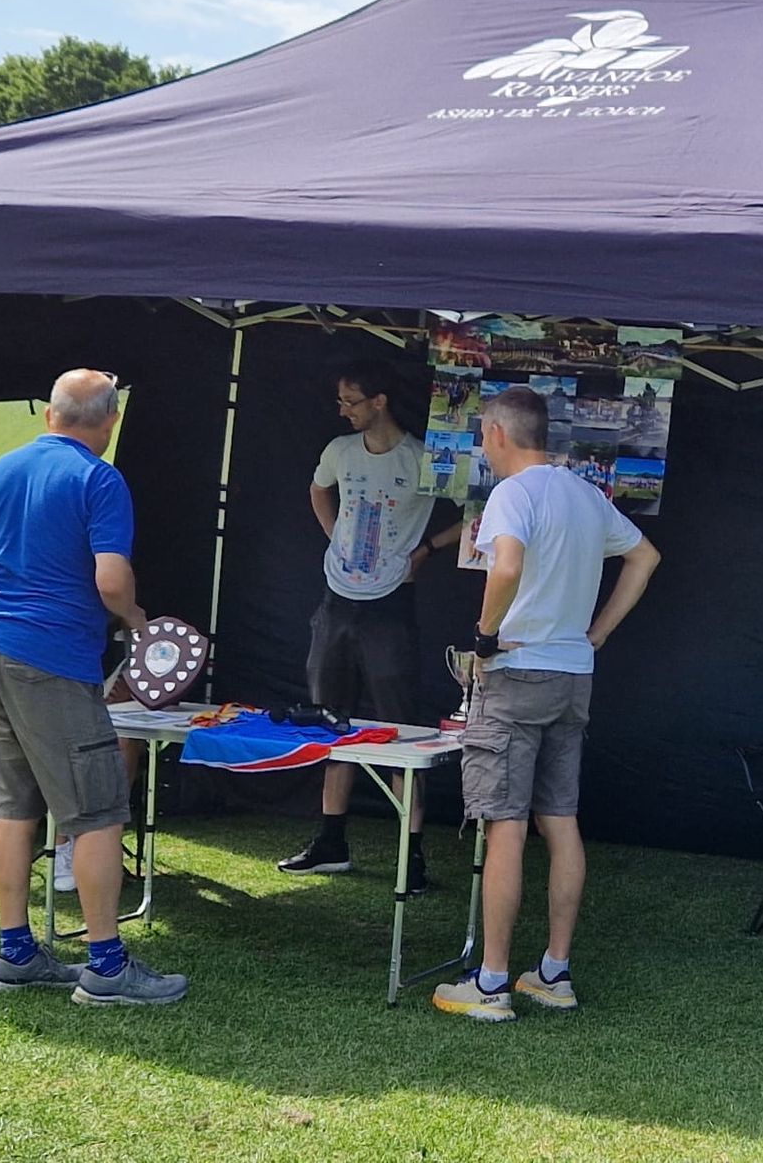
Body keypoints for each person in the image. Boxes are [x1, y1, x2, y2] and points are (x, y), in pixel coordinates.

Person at [432, 386, 660, 1023]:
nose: (482, 444)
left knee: (504, 822)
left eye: (482, 434)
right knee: (560, 818)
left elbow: (504, 568)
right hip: (572, 673)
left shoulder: (513, 494)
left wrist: (482, 638)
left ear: (499, 434)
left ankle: (493, 982)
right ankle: (553, 972)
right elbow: (645, 557)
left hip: (516, 670)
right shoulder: (586, 494)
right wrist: (600, 633)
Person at [0, 369, 186, 1006]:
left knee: (14, 807)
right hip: (53, 659)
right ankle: (106, 967)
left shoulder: (3, 468)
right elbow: (112, 581)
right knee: (97, 812)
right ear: (109, 422)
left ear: (49, 416)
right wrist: (138, 621)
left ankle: (15, 954)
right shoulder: (100, 478)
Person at [278, 361, 459, 891]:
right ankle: (331, 841)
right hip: (336, 599)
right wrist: (334, 536)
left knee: (398, 728)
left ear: (379, 401)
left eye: (351, 401)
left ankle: (413, 854)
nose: (343, 410)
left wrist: (427, 549)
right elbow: (318, 490)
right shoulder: (339, 450)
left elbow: (477, 510)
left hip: (390, 605)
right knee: (331, 720)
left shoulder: (422, 457)